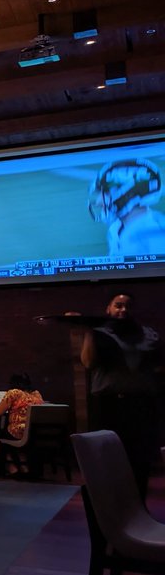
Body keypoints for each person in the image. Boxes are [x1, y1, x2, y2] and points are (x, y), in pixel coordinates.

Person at [81, 291, 162, 501]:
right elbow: (88, 363)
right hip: (108, 404)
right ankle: (111, 506)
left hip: (140, 404)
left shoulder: (148, 334)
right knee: (107, 456)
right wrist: (88, 331)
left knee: (139, 458)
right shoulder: (99, 334)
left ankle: (137, 506)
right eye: (118, 305)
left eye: (128, 306)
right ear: (108, 308)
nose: (123, 310)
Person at [88, 159, 165, 258]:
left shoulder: (155, 233)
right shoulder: (116, 228)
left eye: (106, 193)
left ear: (129, 194)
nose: (99, 201)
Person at [0, 372, 45, 476]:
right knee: (9, 439)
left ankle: (12, 467)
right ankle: (24, 467)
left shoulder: (14, 393)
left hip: (18, 432)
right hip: (33, 432)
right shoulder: (36, 394)